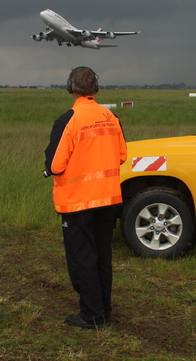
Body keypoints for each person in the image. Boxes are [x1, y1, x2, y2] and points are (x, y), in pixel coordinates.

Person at [43, 66, 127, 329]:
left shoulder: (69, 120)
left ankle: (92, 315)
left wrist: (48, 169)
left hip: (78, 202)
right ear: (95, 88)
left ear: (71, 87)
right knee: (103, 256)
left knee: (83, 259)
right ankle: (103, 309)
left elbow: (55, 165)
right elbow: (122, 155)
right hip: (109, 200)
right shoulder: (111, 116)